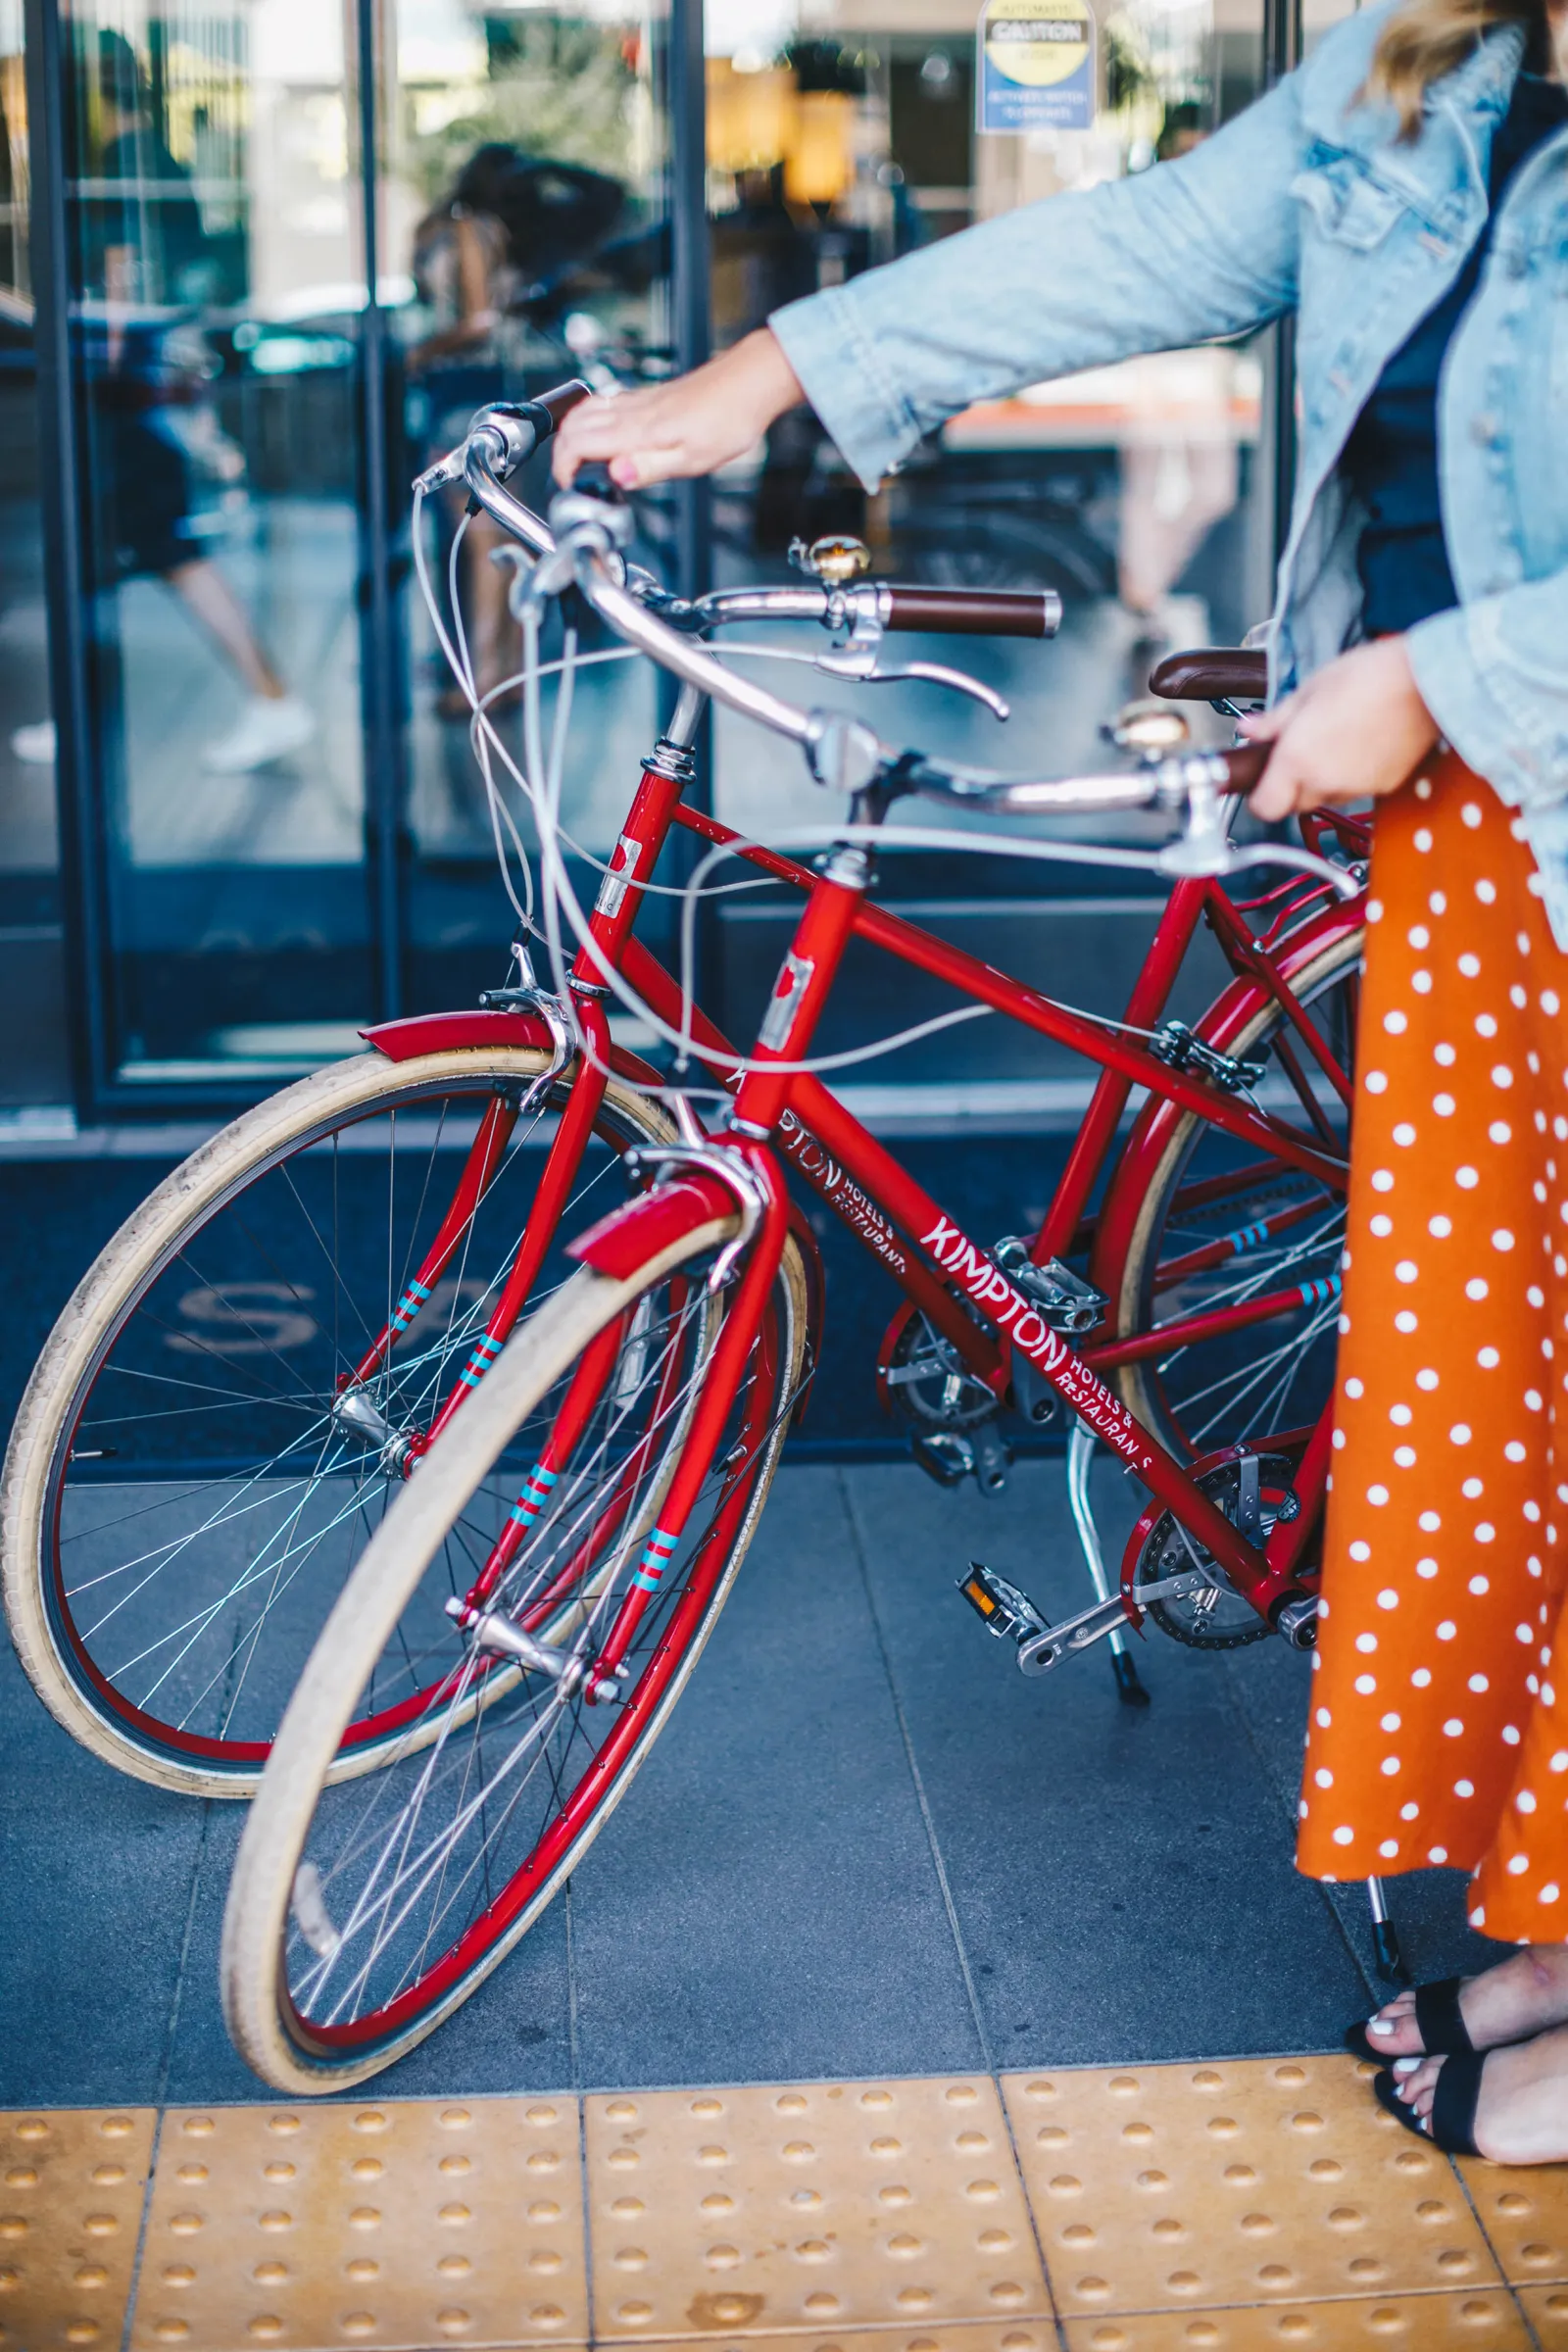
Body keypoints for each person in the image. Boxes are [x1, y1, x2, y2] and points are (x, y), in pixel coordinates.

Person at [555, 0, 1568, 2164]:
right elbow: (1152, 241)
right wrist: (742, 389)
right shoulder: (1441, 68)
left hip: (1491, 738)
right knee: (1521, 1399)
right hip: (1494, 830)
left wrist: (1440, 671)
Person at [13, 31, 313, 775]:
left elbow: (123, 288)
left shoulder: (123, 165)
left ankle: (272, 700)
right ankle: (83, 714)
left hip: (122, 401)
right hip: (139, 397)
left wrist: (77, 343)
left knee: (165, 555)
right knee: (115, 554)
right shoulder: (153, 157)